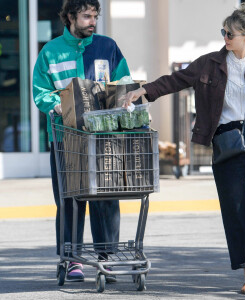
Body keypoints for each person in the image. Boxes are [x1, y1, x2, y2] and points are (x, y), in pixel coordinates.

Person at [120, 0, 245, 295]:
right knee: (235, 208)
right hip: (227, 142)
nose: (225, 38)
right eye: (223, 32)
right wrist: (144, 90)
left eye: (230, 34)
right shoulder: (210, 63)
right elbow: (175, 80)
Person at [33, 0, 130, 283]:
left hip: (103, 138)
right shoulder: (50, 51)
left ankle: (106, 258)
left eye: (95, 16)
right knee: (69, 201)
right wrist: (59, 104)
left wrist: (125, 97)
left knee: (106, 199)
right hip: (66, 139)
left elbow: (123, 79)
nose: (93, 21)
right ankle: (71, 259)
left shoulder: (107, 47)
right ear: (71, 17)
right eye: (87, 16)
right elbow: (41, 91)